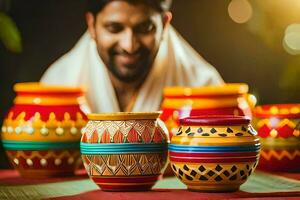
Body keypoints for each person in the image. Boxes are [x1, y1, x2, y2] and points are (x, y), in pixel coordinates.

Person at [41, 0, 223, 112]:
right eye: (114, 28)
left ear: (165, 24)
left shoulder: (205, 87)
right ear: (91, 24)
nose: (129, 45)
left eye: (145, 28)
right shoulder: (56, 86)